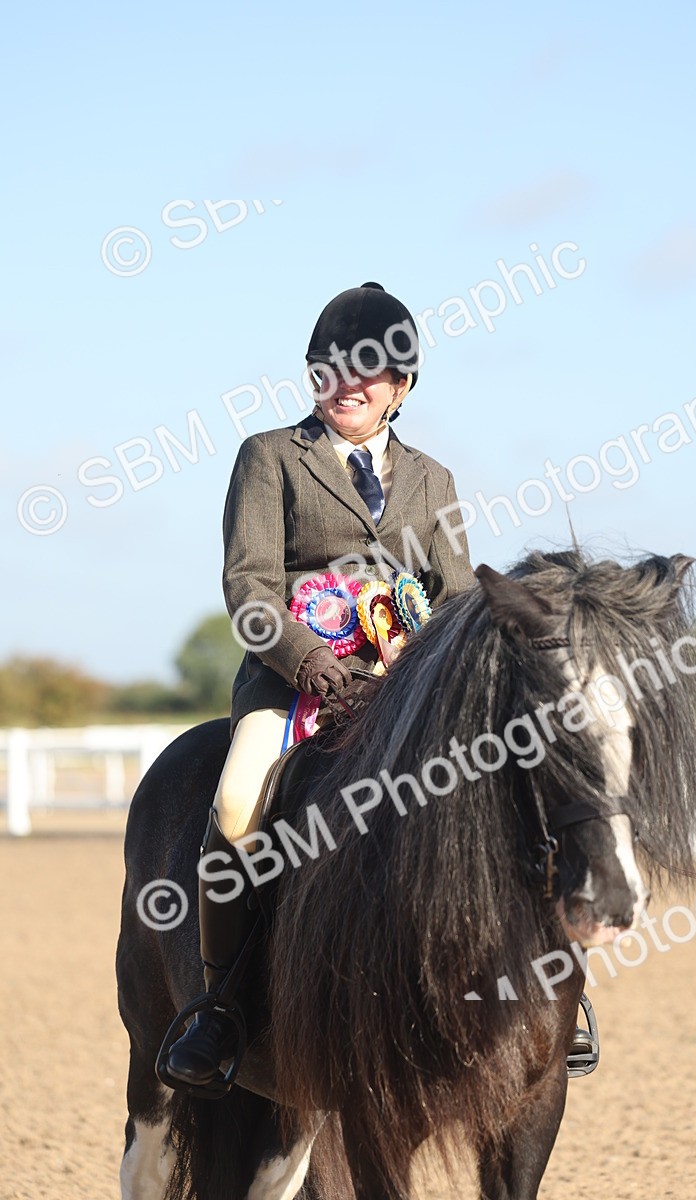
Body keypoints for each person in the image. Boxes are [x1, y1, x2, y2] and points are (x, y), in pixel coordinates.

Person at [164, 282, 476, 1088]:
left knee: (494, 791)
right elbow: (249, 591)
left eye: (366, 373)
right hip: (292, 681)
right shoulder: (270, 457)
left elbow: (460, 597)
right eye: (329, 368)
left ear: (401, 388)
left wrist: (435, 668)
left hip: (406, 688)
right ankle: (221, 1004)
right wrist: (314, 666)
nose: (346, 384)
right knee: (236, 801)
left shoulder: (433, 480)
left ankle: (539, 989)